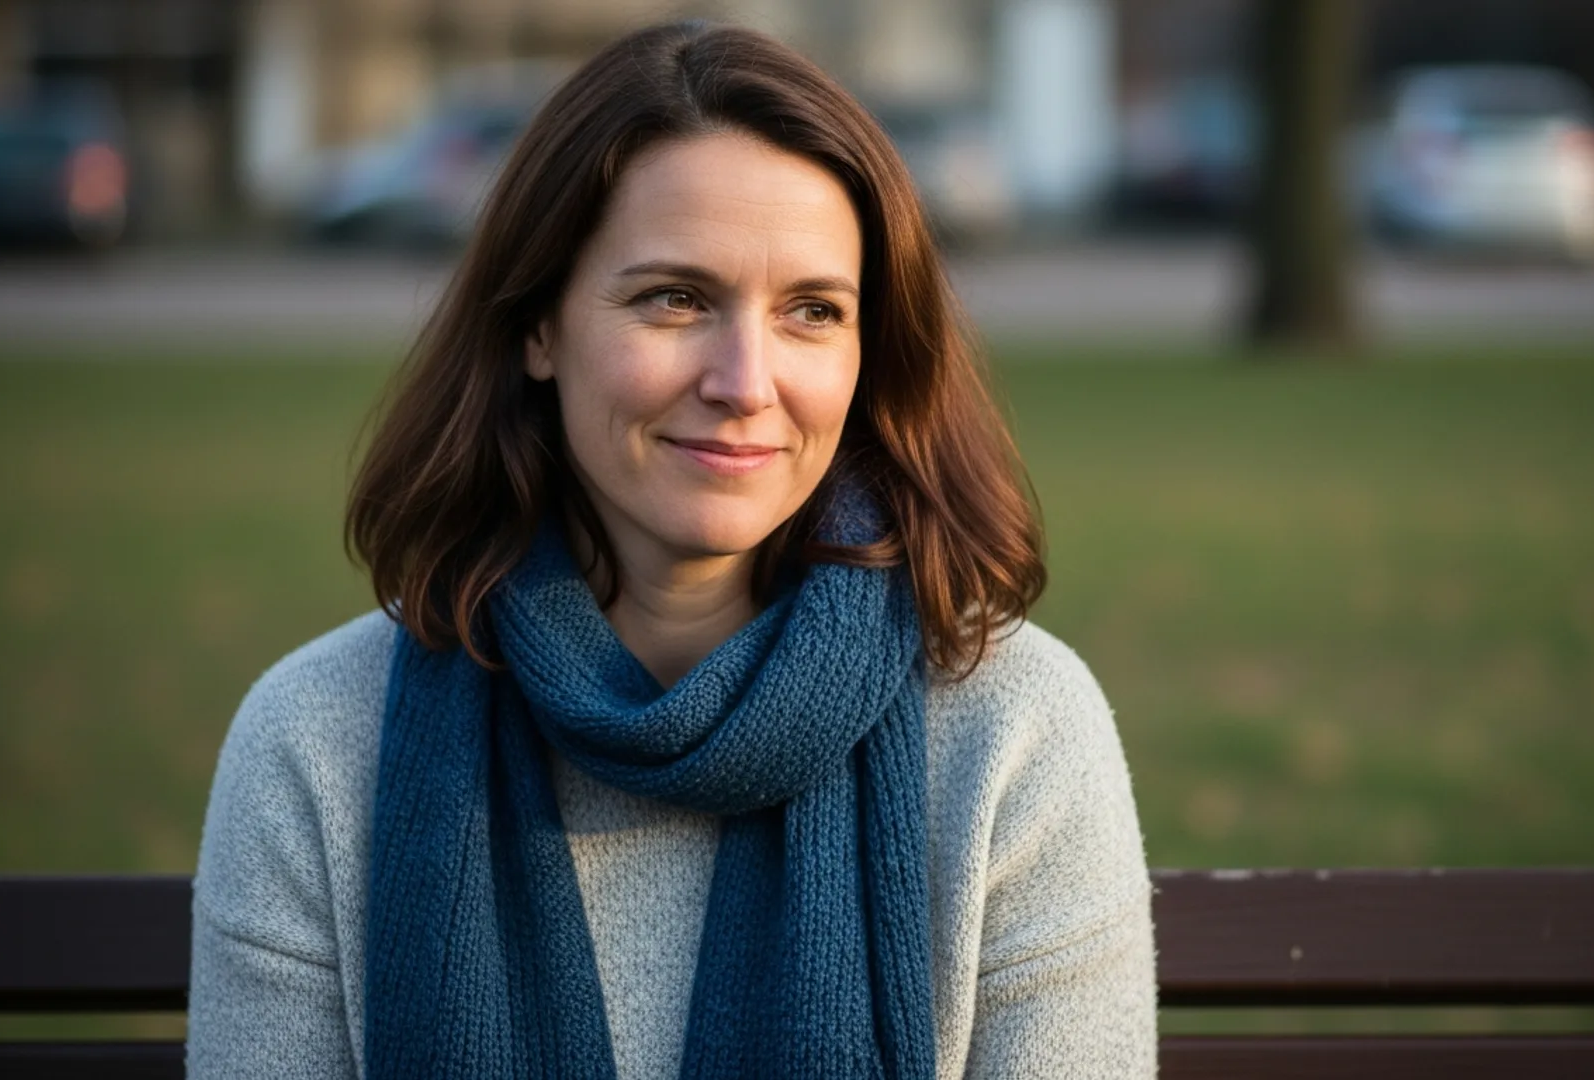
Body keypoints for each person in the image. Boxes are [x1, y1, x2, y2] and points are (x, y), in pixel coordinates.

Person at [189, 20, 1155, 1080]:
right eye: (675, 299)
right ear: (539, 326)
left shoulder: (1011, 733)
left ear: (868, 353)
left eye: (812, 312)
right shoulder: (319, 745)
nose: (746, 381)